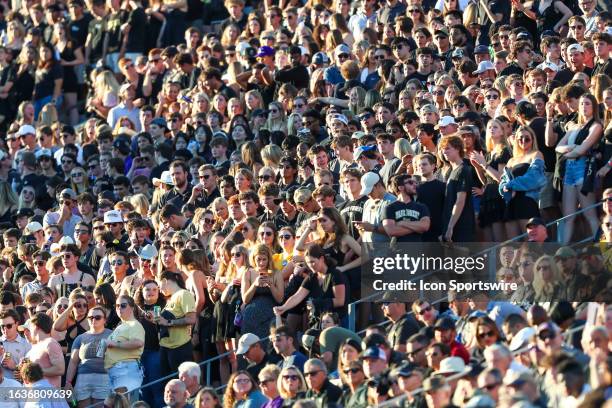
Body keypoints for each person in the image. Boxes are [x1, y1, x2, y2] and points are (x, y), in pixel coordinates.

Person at [65, 305, 112, 407]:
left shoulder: (112, 335)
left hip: (103, 377)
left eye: (97, 317)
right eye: (90, 317)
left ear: (104, 320)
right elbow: (73, 362)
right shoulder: (80, 338)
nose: (93, 320)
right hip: (83, 378)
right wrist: (68, 382)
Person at [104, 295, 145, 403]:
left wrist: (114, 344)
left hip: (126, 369)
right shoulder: (121, 326)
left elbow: (138, 342)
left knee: (125, 404)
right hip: (115, 371)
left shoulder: (134, 324)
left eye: (123, 305)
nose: (119, 308)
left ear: (132, 307)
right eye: (117, 306)